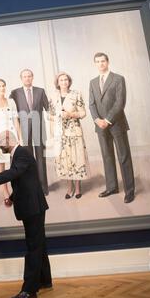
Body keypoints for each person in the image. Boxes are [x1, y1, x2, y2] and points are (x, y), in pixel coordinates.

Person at [0, 131, 52, 298]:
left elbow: (14, 172)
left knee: (33, 247)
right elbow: (22, 180)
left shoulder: (22, 153)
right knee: (38, 243)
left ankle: (29, 290)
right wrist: (11, 198)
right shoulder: (18, 154)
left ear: (8, 141)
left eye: (0, 141)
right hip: (32, 206)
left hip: (33, 207)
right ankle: (44, 280)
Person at [89, 52, 135, 203]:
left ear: (108, 62)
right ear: (95, 64)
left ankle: (129, 191)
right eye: (98, 61)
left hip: (116, 123)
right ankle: (112, 187)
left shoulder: (118, 79)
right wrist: (97, 120)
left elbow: (120, 103)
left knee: (123, 156)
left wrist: (107, 120)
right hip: (100, 126)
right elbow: (92, 104)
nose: (101, 64)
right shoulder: (93, 82)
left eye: (103, 61)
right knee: (107, 157)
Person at [48, 72, 89, 199]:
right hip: (60, 133)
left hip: (74, 132)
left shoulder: (76, 94)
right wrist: (57, 120)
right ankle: (69, 187)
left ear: (69, 82)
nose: (64, 82)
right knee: (64, 160)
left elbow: (83, 113)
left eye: (66, 80)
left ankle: (77, 188)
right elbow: (49, 115)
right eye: (61, 80)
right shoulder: (53, 96)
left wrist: (71, 114)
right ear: (58, 83)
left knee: (76, 158)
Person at [10, 69, 49, 195]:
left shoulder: (40, 91)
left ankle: (43, 188)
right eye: (24, 76)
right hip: (23, 130)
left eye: (29, 76)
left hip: (39, 128)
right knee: (26, 158)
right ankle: (31, 187)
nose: (27, 78)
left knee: (40, 158)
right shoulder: (15, 93)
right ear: (21, 78)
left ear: (32, 77)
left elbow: (48, 109)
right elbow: (8, 107)